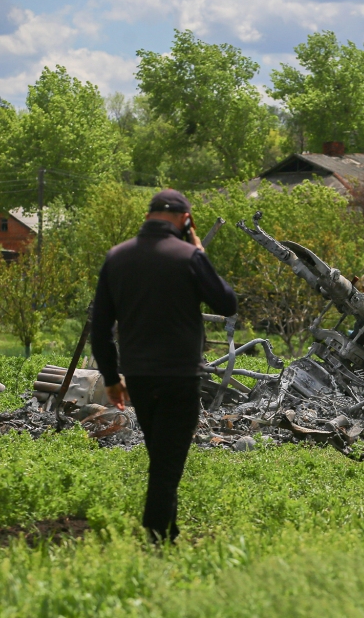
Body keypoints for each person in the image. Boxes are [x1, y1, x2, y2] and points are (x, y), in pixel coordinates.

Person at [91, 188, 237, 543]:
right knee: (166, 464)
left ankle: (167, 533)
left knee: (161, 456)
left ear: (147, 216)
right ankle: (156, 536)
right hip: (179, 377)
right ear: (186, 220)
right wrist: (200, 254)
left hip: (139, 378)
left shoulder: (116, 257)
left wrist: (111, 378)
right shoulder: (188, 257)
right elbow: (227, 303)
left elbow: (100, 328)